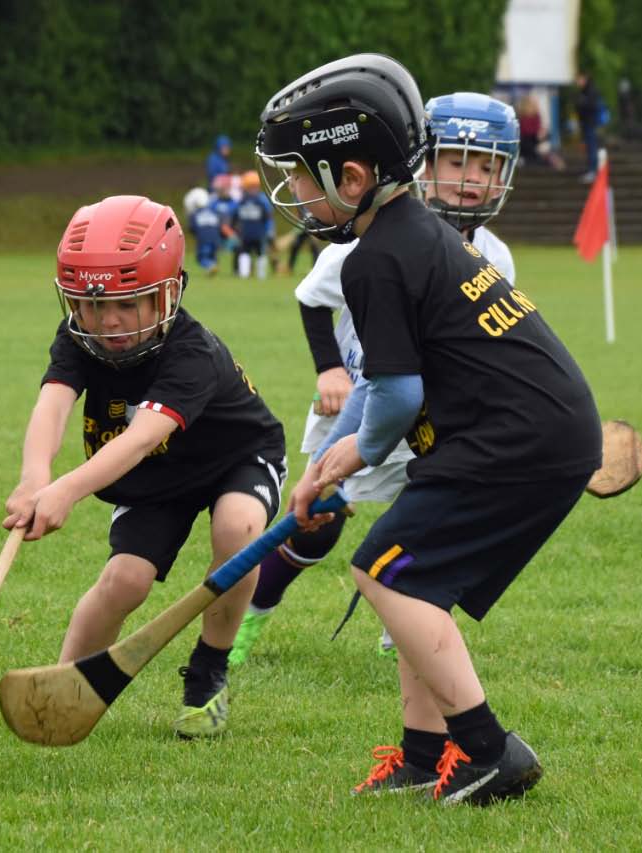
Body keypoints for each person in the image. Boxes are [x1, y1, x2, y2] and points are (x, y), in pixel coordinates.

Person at [256, 54, 601, 803]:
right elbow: (395, 387)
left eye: (301, 175)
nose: (291, 192)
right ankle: (422, 755)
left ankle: (487, 751)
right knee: (415, 578)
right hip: (530, 428)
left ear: (352, 179)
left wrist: (340, 460)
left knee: (384, 568)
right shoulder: (417, 231)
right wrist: (332, 463)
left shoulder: (373, 259)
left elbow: (396, 392)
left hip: (516, 437)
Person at [232, 90, 522, 666]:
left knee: (435, 516)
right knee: (316, 524)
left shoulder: (496, 255)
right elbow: (312, 299)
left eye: (487, 166)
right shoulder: (374, 232)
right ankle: (251, 617)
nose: (471, 179)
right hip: (363, 404)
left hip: (437, 416)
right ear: (424, 160)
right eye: (458, 161)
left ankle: (411, 622)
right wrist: (330, 369)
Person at [3, 194, 288, 739]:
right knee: (125, 580)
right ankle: (63, 687)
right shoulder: (79, 337)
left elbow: (137, 440)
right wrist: (34, 474)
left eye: (127, 305)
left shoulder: (192, 353)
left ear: (168, 294)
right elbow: (54, 400)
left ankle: (208, 671)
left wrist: (64, 491)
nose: (108, 322)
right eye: (93, 305)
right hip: (157, 477)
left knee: (238, 528)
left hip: (236, 457)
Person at [231, 170, 274, 278]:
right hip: (256, 233)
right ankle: (257, 275)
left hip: (248, 233)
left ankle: (249, 275)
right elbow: (267, 218)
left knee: (251, 253)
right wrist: (269, 231)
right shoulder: (261, 201)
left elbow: (234, 217)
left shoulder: (241, 201)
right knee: (256, 253)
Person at [516, 94, 564, 171]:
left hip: (532, 140)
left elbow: (535, 128)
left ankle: (551, 160)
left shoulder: (535, 115)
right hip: (528, 140)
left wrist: (541, 132)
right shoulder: (524, 116)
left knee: (545, 140)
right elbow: (526, 130)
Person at [183, 186, 224, 275]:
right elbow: (219, 226)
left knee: (201, 257)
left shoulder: (195, 214)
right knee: (212, 256)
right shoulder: (213, 212)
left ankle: (210, 266)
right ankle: (212, 267)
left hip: (204, 240)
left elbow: (192, 228)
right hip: (216, 239)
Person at [574, 73, 604, 183]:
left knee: (592, 146)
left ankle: (593, 171)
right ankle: (592, 170)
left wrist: (582, 104)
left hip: (590, 123)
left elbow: (591, 106)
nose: (577, 82)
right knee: (590, 146)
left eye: (579, 79)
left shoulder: (590, 92)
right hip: (586, 123)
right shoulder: (584, 91)